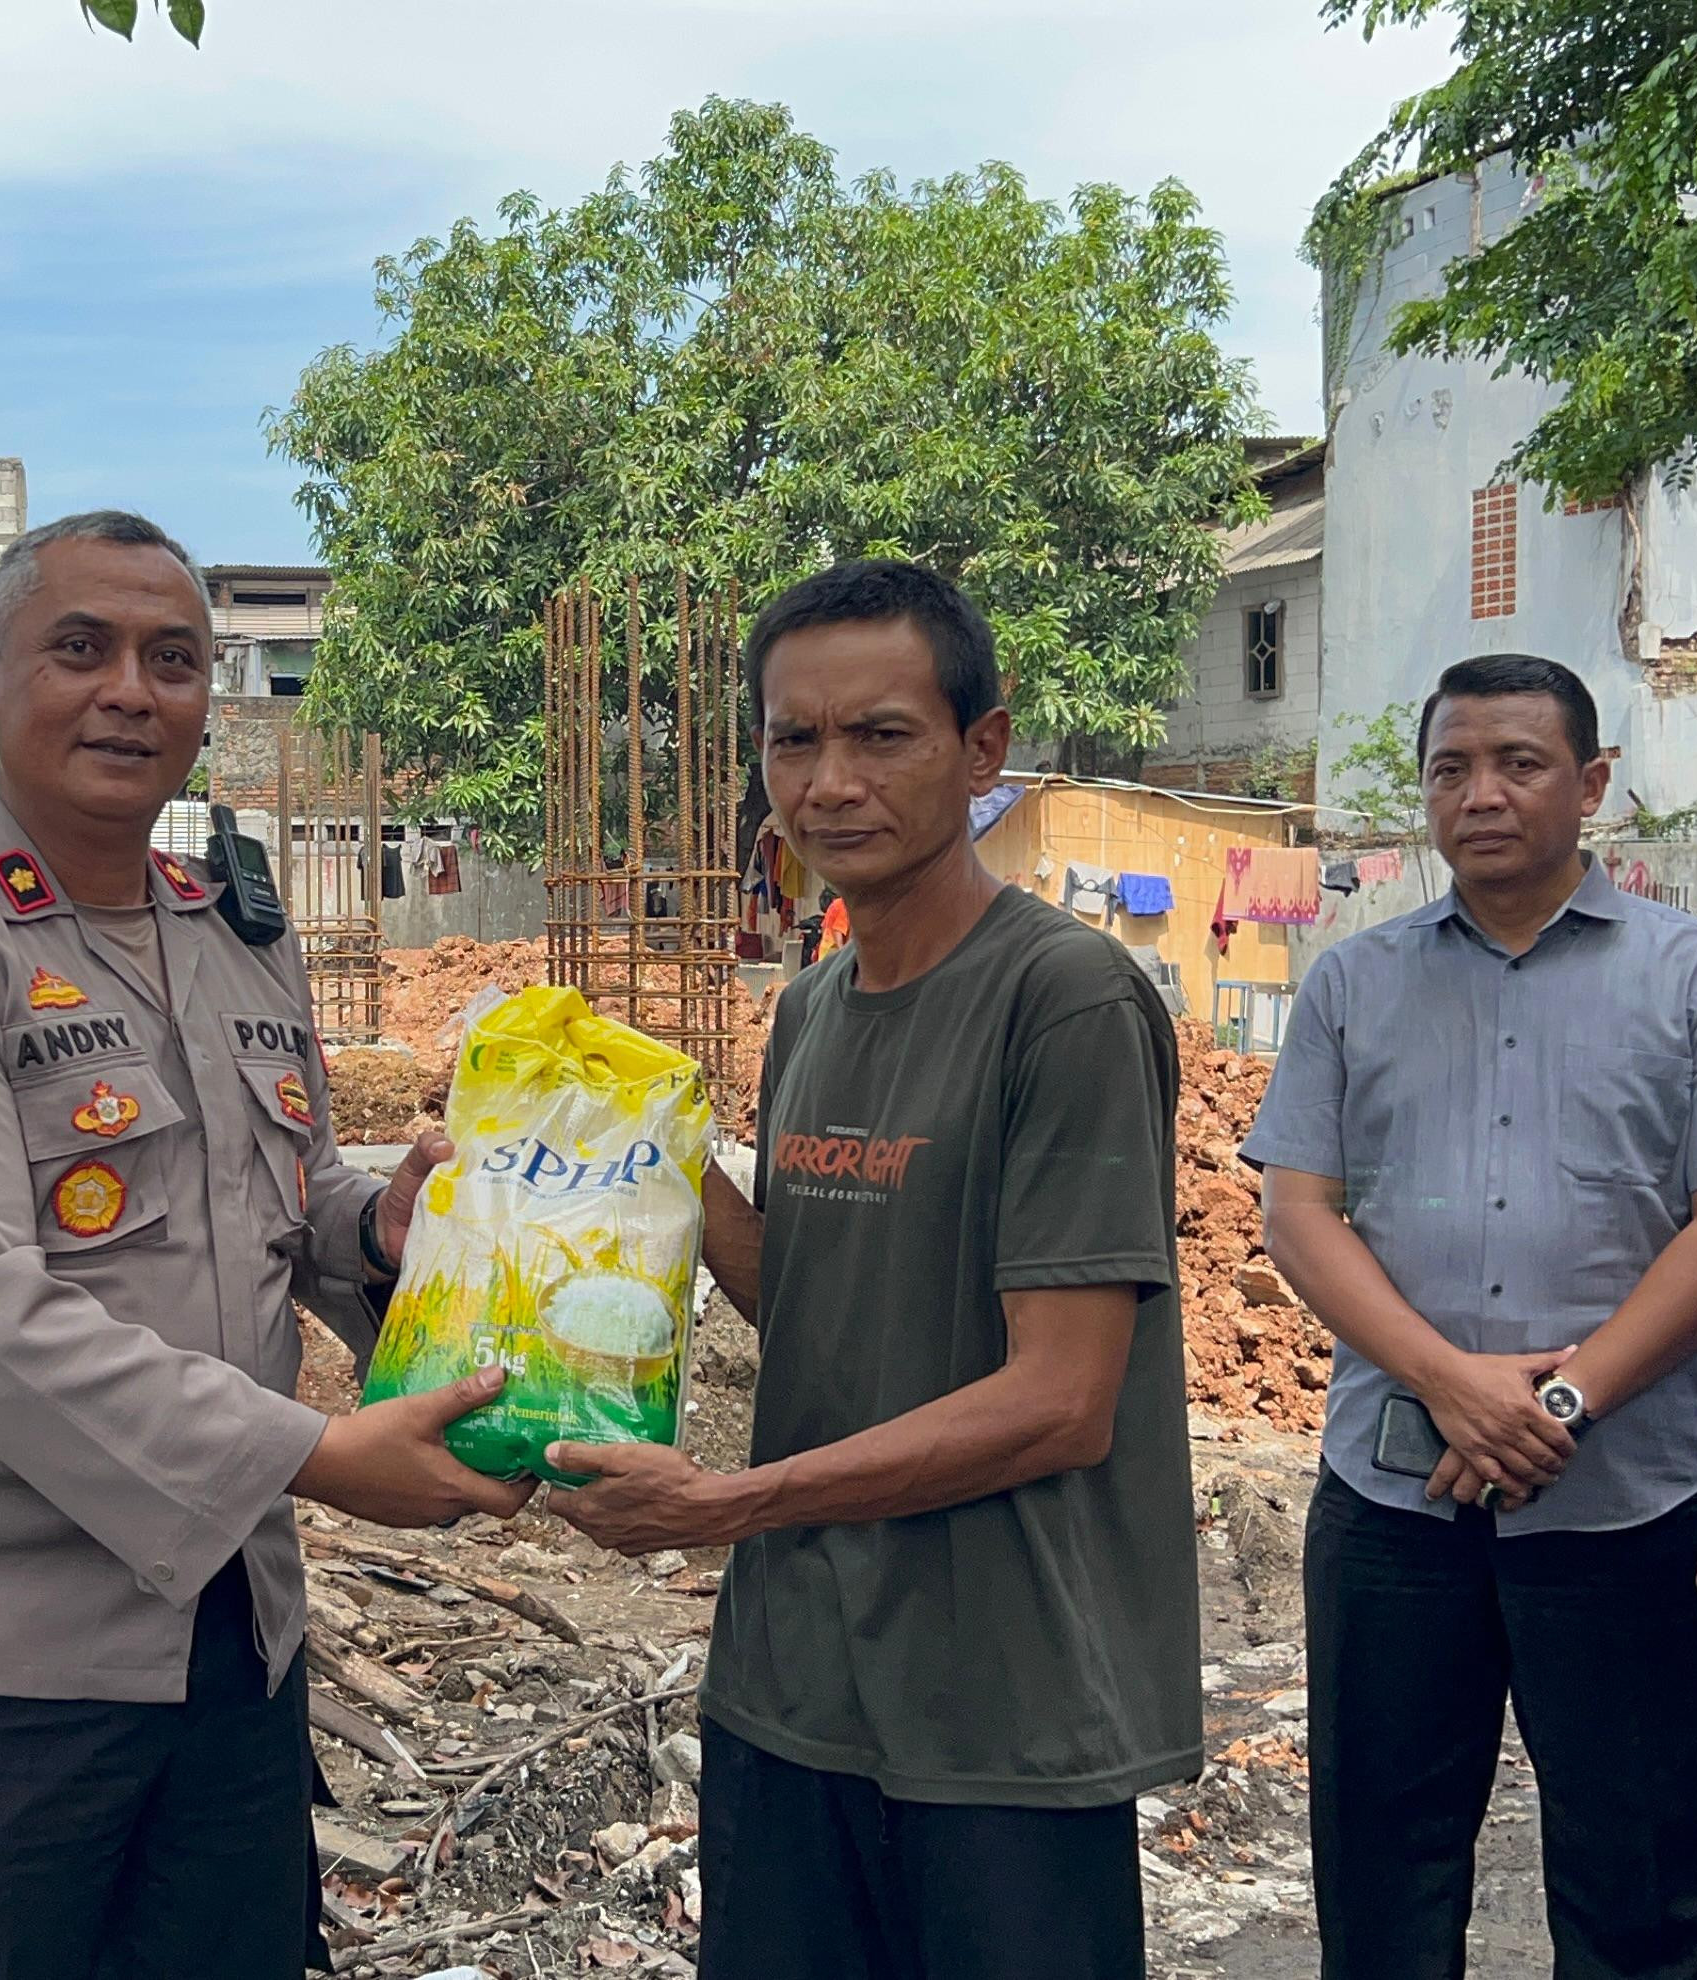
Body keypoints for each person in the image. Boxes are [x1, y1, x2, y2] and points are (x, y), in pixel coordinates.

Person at [0, 510, 533, 1979]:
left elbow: (286, 1196)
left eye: (173, 660)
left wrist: (380, 1221)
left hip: (226, 1627)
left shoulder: (236, 935)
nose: (131, 690)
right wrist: (318, 1457)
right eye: (82, 648)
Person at [543, 559, 1199, 1980]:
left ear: (983, 750)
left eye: (881, 735)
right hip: (796, 1685)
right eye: (795, 739)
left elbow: (1062, 1402)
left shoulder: (1067, 1001)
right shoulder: (815, 1006)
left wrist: (732, 1502)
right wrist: (633, 1157)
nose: (831, 781)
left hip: (1000, 1711)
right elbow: (820, 1301)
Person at [1244, 653, 1697, 1979]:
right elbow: (1300, 1214)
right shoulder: (1352, 983)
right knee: (1382, 1869)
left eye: (1519, 763)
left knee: (1639, 1883)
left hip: (1626, 1501)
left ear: (1592, 784)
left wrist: (1554, 1400)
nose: (1480, 794)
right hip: (1389, 1505)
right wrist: (1448, 1380)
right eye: (1451, 768)